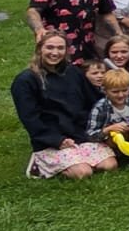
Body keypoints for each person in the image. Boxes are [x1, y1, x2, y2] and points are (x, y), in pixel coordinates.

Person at [12, 31, 116, 179]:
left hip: (79, 133)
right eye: (50, 47)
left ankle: (79, 159)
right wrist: (56, 140)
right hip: (51, 139)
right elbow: (30, 119)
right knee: (83, 172)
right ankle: (38, 165)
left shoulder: (73, 72)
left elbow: (94, 101)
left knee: (109, 166)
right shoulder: (25, 81)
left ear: (66, 50)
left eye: (60, 48)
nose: (55, 52)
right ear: (39, 49)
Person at [86, 68, 129, 151]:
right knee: (115, 137)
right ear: (105, 91)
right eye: (115, 92)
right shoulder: (100, 107)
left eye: (124, 90)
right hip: (115, 142)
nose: (121, 95)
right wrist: (108, 129)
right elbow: (90, 135)